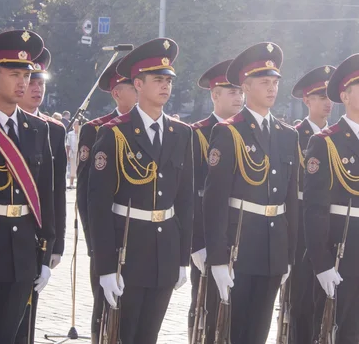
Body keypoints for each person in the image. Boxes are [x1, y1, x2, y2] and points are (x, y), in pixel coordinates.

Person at [87, 38, 193, 344]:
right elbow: (98, 205)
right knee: (123, 334)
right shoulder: (114, 133)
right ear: (138, 83)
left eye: (169, 80)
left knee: (149, 335)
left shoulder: (181, 133)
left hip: (165, 251)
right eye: (157, 80)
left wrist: (183, 257)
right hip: (127, 251)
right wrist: (105, 267)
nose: (165, 86)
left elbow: (185, 201)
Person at [203, 42, 299, 344]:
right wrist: (217, 258)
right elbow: (215, 200)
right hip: (239, 249)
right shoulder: (230, 132)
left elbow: (291, 201)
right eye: (264, 82)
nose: (272, 89)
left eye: (275, 82)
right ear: (245, 87)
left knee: (259, 333)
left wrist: (289, 255)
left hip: (273, 250)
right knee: (233, 332)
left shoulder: (287, 134)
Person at [303, 53, 359, 344]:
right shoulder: (325, 141)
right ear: (344, 95)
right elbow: (315, 208)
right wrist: (321, 262)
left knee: (356, 333)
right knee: (327, 330)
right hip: (340, 250)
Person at [0, 30, 55, 343]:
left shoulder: (37, 128)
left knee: (10, 336)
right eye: (14, 74)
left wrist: (45, 256)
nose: (23, 82)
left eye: (27, 74)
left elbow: (46, 195)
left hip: (22, 255)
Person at [76, 56, 137, 343]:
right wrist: (94, 244)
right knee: (105, 311)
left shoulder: (157, 130)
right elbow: (86, 194)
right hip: (105, 237)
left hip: (138, 240)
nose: (141, 90)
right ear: (117, 93)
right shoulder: (97, 128)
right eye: (133, 85)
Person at [188, 59, 244, 342]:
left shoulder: (247, 131)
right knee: (206, 311)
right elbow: (191, 194)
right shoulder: (196, 134)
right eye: (231, 90)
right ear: (214, 94)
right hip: (208, 237)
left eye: (240, 90)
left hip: (241, 235)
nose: (238, 96)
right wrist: (197, 242)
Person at [15, 48, 68, 344]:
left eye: (41, 82)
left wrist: (55, 245)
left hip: (34, 238)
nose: (36, 88)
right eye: (30, 80)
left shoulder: (54, 130)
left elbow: (56, 191)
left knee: (26, 319)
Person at [290, 65, 335, 343]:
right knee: (302, 301)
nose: (328, 103)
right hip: (300, 231)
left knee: (328, 301)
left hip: (331, 226)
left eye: (330, 97)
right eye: (321, 97)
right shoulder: (292, 135)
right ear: (306, 101)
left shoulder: (338, 138)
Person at [66, 120, 79, 188]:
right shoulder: (70, 134)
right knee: (72, 168)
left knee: (80, 168)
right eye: (75, 124)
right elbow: (68, 145)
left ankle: (79, 182)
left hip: (80, 153)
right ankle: (71, 183)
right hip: (73, 153)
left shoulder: (81, 133)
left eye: (78, 124)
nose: (76, 126)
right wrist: (67, 155)